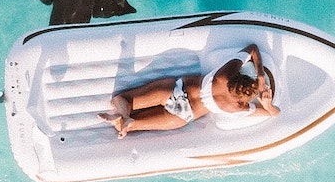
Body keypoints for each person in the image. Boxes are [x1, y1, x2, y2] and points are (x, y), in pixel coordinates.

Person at [98, 44, 280, 138]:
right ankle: (125, 123)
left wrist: (261, 74)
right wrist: (267, 104)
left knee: (122, 99)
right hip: (183, 115)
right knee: (134, 125)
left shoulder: (226, 74)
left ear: (239, 77)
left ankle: (121, 113)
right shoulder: (237, 108)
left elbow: (253, 49)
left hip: (175, 90)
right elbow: (273, 114)